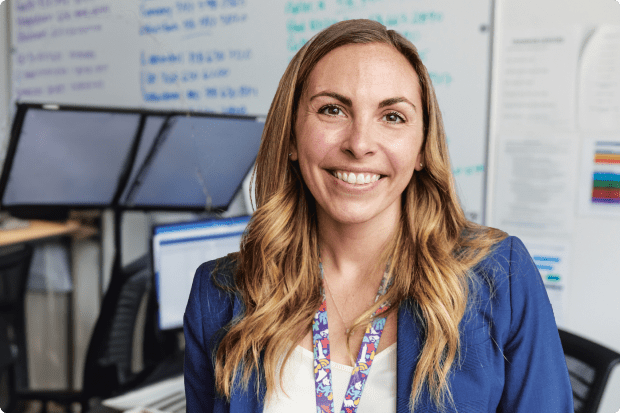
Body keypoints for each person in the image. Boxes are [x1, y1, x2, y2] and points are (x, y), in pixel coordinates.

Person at [184, 19, 573, 412]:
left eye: (392, 117)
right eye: (332, 110)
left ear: (422, 148)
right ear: (291, 138)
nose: (359, 144)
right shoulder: (218, 295)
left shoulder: (499, 278)